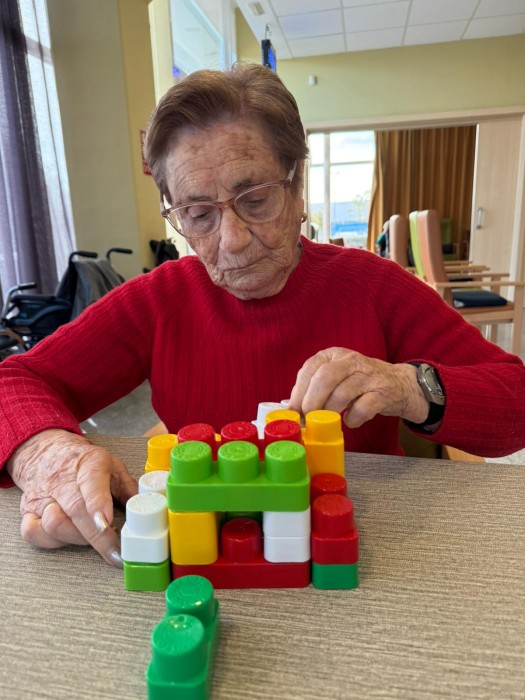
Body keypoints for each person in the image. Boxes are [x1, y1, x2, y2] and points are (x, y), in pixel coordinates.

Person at [1, 64, 524, 569]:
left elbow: (515, 399)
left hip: (359, 554)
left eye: (254, 200)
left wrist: (409, 386)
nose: (231, 240)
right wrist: (47, 454)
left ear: (297, 186)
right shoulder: (157, 301)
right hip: (205, 550)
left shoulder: (374, 286)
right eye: (198, 214)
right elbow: (15, 379)